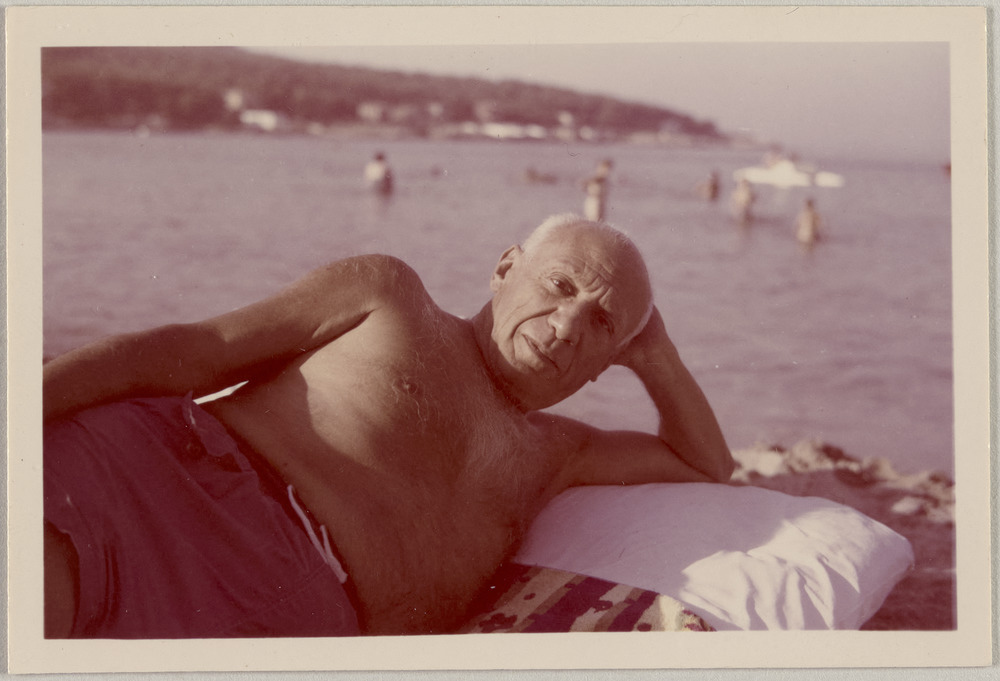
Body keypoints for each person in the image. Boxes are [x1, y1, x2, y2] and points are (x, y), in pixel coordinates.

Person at [43, 214, 733, 639]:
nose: (568, 324)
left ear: (608, 363)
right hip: (162, 485)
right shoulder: (392, 297)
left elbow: (707, 462)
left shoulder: (559, 452)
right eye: (560, 285)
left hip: (286, 622)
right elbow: (193, 351)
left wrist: (657, 354)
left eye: (601, 324)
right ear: (505, 268)